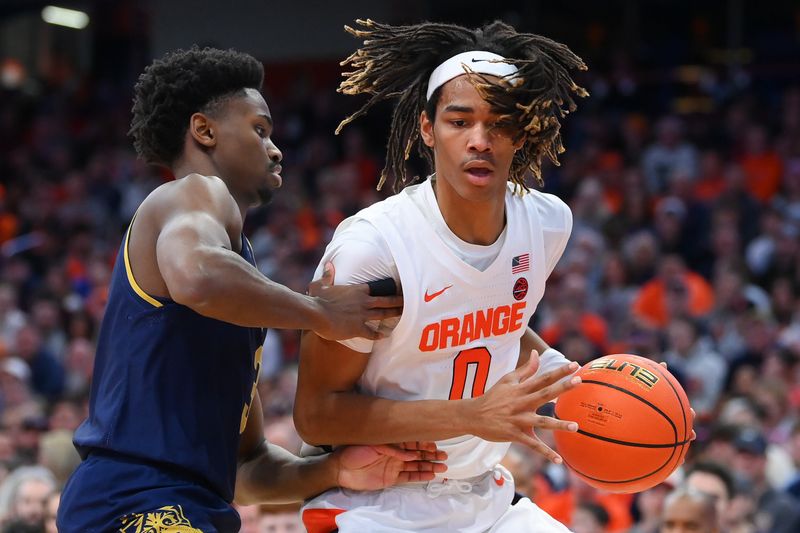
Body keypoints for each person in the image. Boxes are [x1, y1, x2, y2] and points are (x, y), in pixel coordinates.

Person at [56, 47, 446, 533]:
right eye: (260, 130)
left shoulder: (242, 288)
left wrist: (334, 470)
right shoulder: (193, 193)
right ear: (204, 131)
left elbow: (246, 468)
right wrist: (320, 312)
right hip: (135, 497)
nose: (276, 148)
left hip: (191, 506)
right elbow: (196, 275)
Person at [294, 19, 589, 532]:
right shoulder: (375, 249)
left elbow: (501, 322)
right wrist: (472, 416)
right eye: (460, 122)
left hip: (485, 495)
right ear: (428, 129)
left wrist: (580, 380)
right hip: (375, 503)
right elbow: (316, 414)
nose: (480, 140)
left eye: (499, 123)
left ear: (520, 132)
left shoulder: (547, 223)